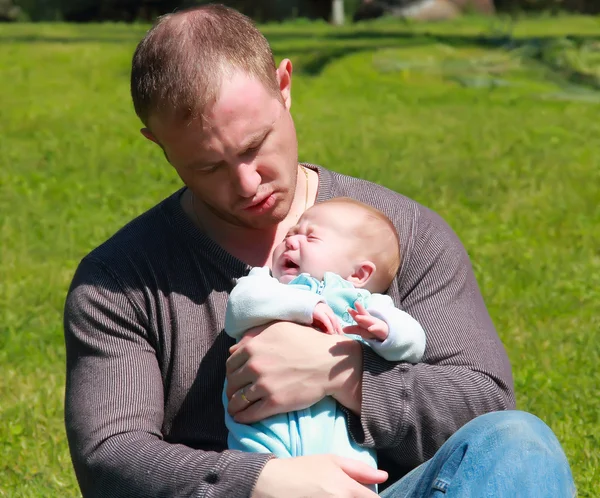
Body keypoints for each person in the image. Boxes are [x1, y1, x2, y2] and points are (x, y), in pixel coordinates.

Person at [63, 4, 575, 497]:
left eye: (254, 145)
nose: (246, 183)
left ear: (284, 86)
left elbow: (482, 404)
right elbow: (110, 457)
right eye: (208, 167)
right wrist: (263, 483)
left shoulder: (402, 234)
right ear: (158, 144)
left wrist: (346, 376)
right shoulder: (121, 279)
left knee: (519, 445)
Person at [223, 198, 427, 485]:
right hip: (263, 432)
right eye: (291, 233)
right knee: (267, 478)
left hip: (341, 441)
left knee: (354, 480)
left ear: (359, 274)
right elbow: (239, 309)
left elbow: (416, 341)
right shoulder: (265, 285)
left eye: (311, 236)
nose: (292, 241)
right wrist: (307, 305)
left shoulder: (366, 305)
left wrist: (386, 331)